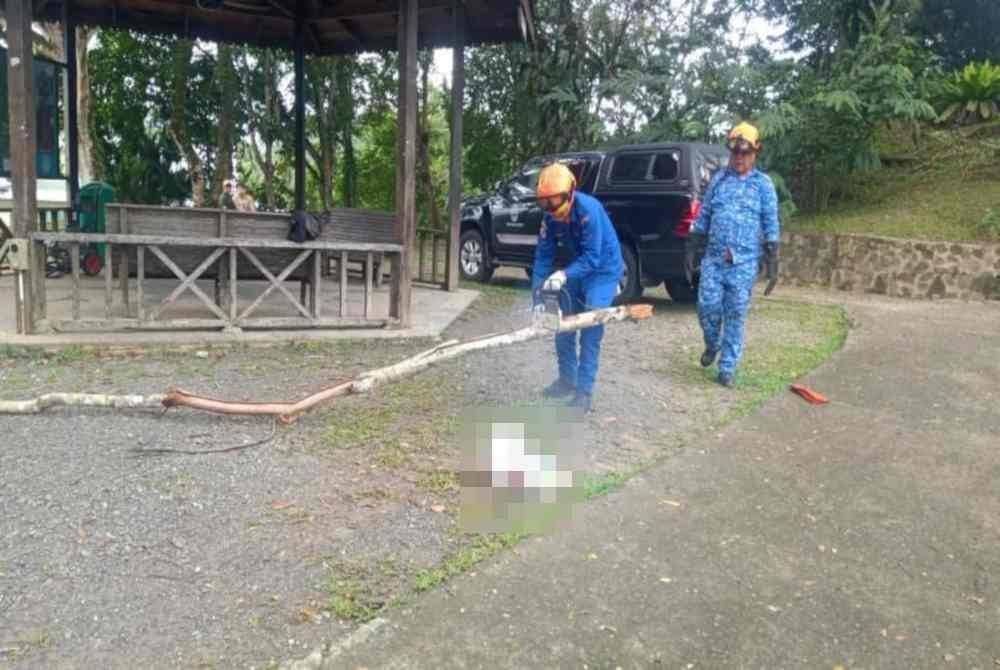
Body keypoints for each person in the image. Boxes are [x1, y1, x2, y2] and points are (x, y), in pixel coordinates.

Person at [685, 121, 780, 388]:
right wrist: (692, 247)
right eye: (735, 152)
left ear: (755, 153)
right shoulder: (719, 180)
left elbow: (771, 222)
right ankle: (712, 344)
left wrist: (773, 260)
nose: (739, 157)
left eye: (745, 153)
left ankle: (727, 367)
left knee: (736, 314)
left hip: (744, 262)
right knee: (707, 307)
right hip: (714, 259)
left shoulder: (763, 185)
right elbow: (704, 215)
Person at [531, 162, 625, 413]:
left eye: (554, 202)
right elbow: (542, 257)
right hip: (577, 267)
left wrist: (563, 274)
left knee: (590, 327)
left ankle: (584, 392)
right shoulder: (549, 217)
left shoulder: (589, 210)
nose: (550, 208)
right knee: (562, 322)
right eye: (545, 203)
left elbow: (593, 258)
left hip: (603, 269)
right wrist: (538, 298)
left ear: (569, 193)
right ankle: (566, 380)